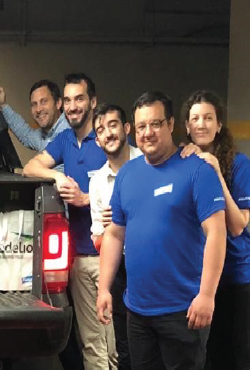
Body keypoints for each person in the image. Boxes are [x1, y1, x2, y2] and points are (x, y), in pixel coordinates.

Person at [97, 91, 227, 369]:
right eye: (142, 126)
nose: (148, 133)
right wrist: (104, 288)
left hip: (183, 311)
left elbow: (217, 232)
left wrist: (206, 295)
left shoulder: (197, 170)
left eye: (155, 124)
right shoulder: (127, 175)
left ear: (170, 125)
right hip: (137, 310)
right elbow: (115, 233)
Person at [23, 73, 114, 369]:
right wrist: (58, 175)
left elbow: (129, 181)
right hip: (78, 259)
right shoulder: (64, 140)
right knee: (91, 344)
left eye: (80, 99)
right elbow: (30, 167)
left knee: (115, 345)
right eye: (70, 100)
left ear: (93, 102)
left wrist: (85, 198)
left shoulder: (105, 138)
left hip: (110, 256)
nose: (74, 106)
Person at [179, 90, 249, 370]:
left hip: (235, 277)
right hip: (197, 278)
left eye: (209, 118)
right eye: (195, 118)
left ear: (219, 124)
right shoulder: (184, 160)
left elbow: (237, 226)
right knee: (203, 357)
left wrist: (216, 172)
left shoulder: (239, 164)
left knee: (234, 356)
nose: (201, 124)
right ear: (186, 126)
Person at [88, 104, 141, 370]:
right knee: (125, 349)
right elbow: (98, 238)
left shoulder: (149, 163)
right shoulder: (97, 181)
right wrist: (112, 231)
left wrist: (122, 223)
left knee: (156, 347)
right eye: (101, 130)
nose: (108, 133)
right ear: (97, 141)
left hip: (154, 269)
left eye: (113, 125)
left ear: (127, 128)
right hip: (119, 270)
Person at [0, 80, 70, 154]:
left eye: (44, 101)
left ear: (58, 103)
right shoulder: (42, 136)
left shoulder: (73, 132)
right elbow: (26, 135)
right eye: (34, 104)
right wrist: (2, 105)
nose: (38, 109)